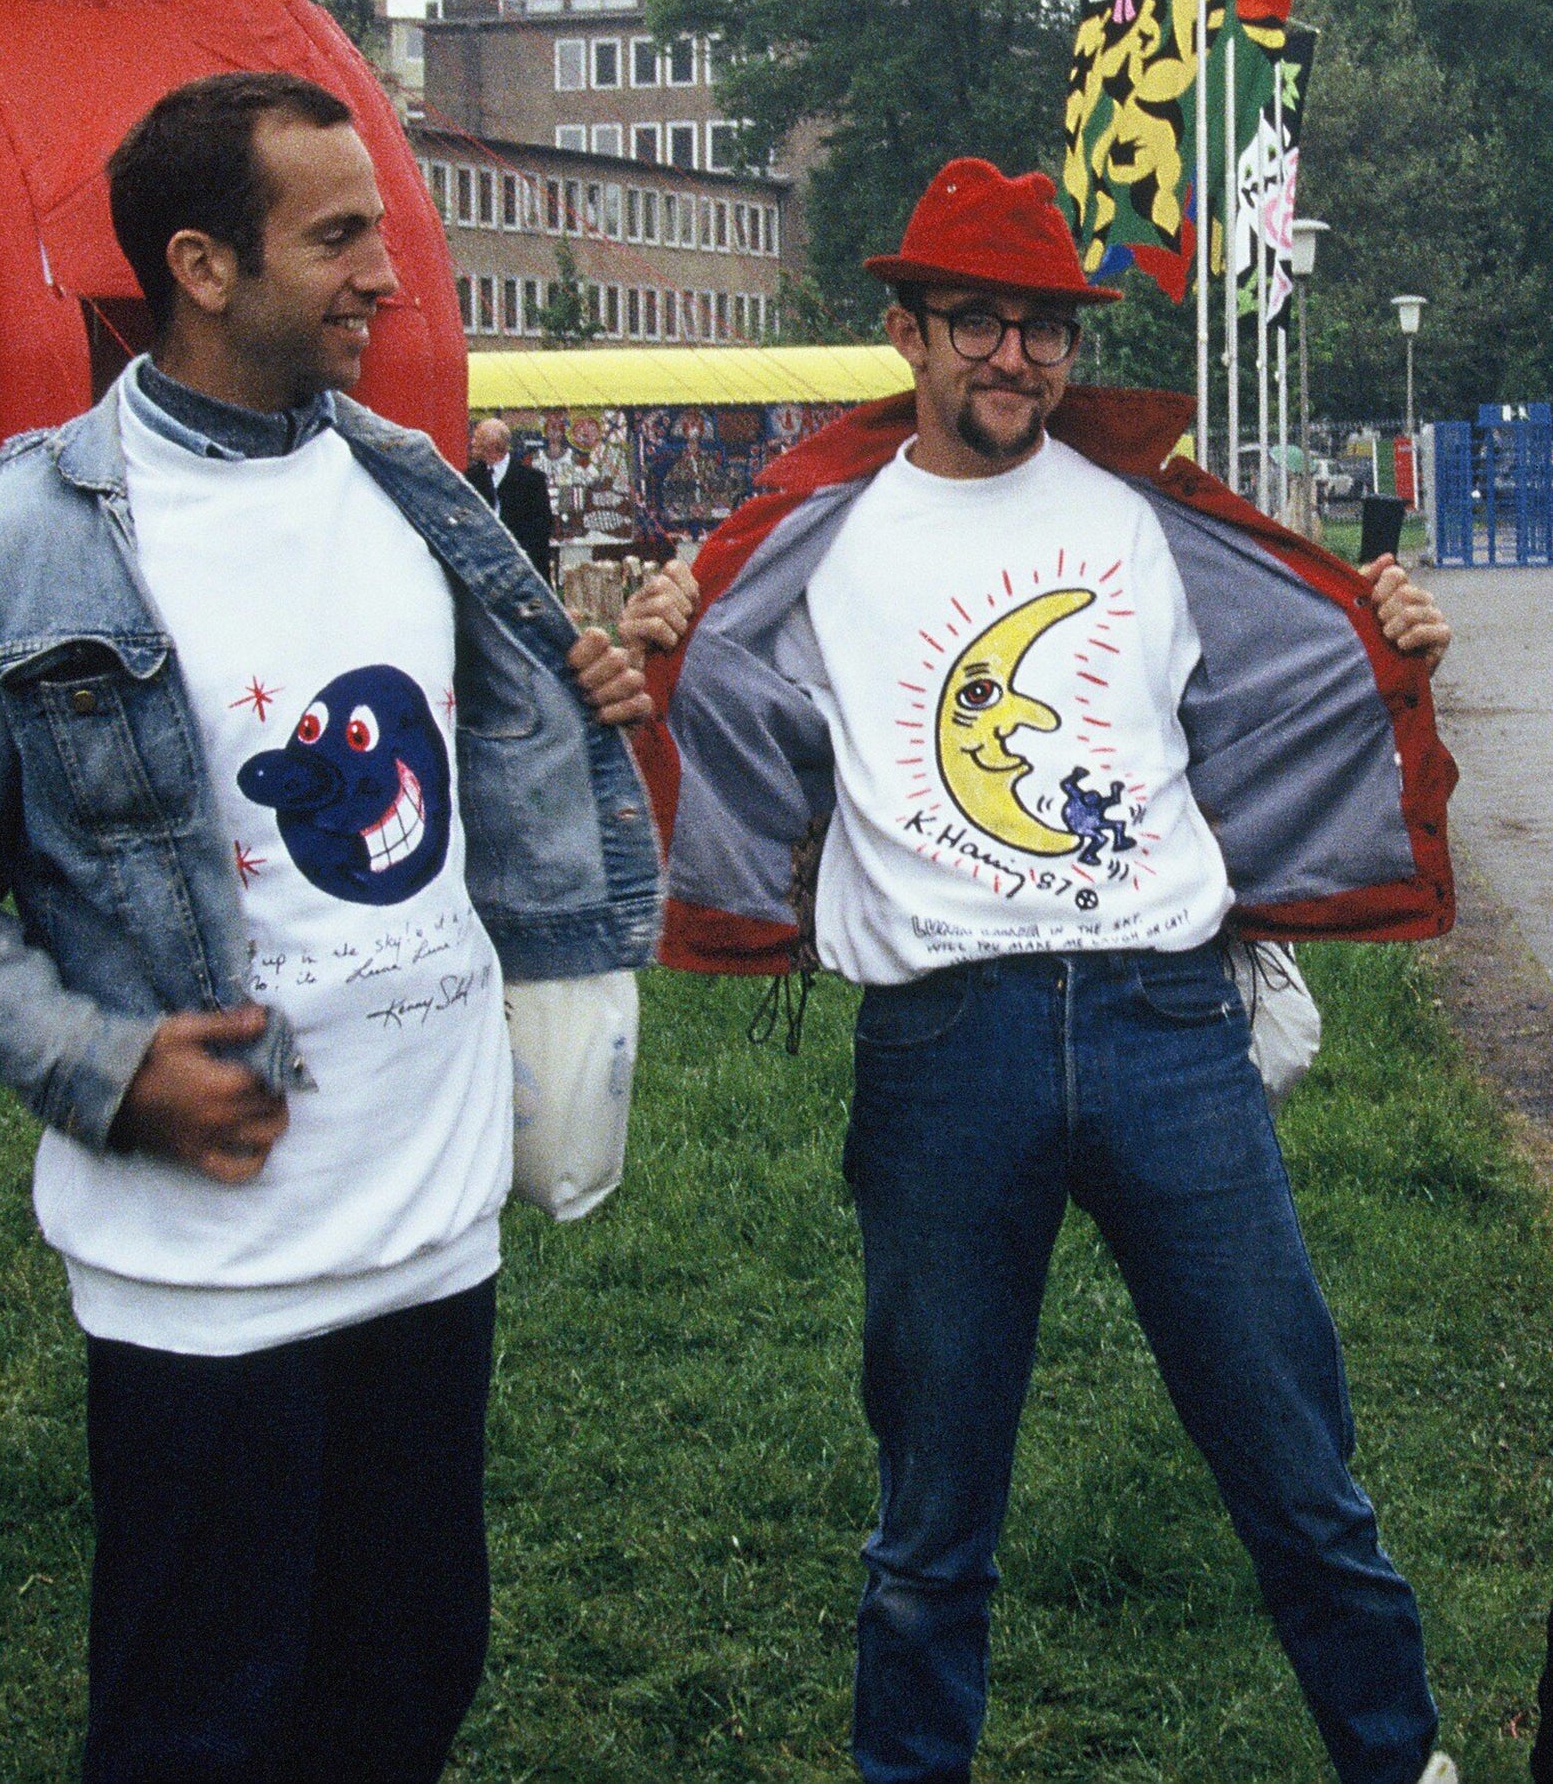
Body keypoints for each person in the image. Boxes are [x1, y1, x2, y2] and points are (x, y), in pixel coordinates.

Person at [0, 71, 661, 1784]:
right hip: (207, 1274)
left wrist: (587, 701)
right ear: (202, 264)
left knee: (404, 1688)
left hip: (433, 1232)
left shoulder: (415, 487)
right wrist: (100, 1063)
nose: (386, 275)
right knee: (197, 1728)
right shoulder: (17, 546)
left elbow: (484, 748)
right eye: (338, 234)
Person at [626, 157, 1460, 1784]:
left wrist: (1392, 646)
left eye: (1042, 329)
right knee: (933, 1505)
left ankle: (1396, 1755)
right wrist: (662, 626)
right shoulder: (813, 540)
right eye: (975, 323)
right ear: (907, 333)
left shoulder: (1155, 515)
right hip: (945, 1048)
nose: (1012, 357)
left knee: (1296, 1458)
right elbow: (703, 697)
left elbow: (1302, 670)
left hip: (1167, 1031)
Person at [466, 414, 554, 582]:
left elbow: (542, 527)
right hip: (485, 573)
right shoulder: (470, 479)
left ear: (493, 445)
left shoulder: (532, 480)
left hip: (522, 572)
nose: (472, 443)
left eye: (477, 439)